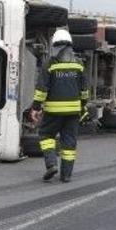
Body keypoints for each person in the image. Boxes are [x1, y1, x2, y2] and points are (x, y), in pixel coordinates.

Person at [30, 29, 89, 182]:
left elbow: (42, 89)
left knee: (46, 135)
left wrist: (36, 108)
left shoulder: (50, 63)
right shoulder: (79, 64)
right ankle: (66, 175)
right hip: (73, 113)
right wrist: (82, 107)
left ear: (54, 44)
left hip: (53, 111)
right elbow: (85, 91)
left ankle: (51, 165)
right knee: (69, 143)